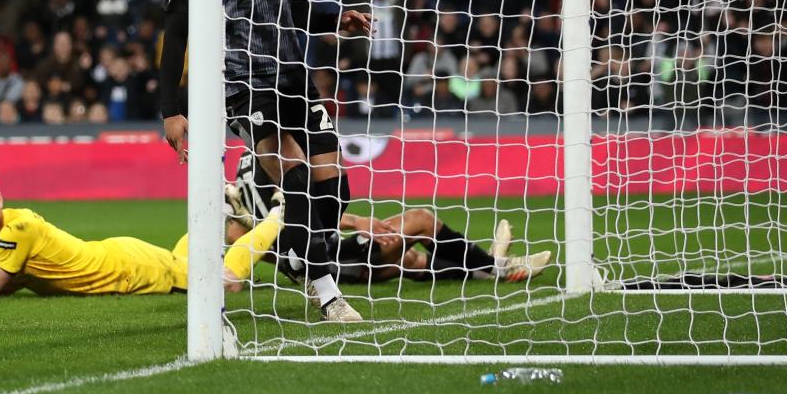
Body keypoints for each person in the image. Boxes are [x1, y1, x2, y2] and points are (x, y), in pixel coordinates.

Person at [160, 0, 373, 322]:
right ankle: (328, 293)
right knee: (296, 181)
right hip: (244, 86)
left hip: (294, 78)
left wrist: (340, 17)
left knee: (335, 194)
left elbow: (298, 10)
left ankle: (293, 255)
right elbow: (176, 34)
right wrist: (170, 108)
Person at [226, 151, 553, 285]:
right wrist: (355, 221)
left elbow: (247, 231)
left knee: (409, 259)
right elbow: (296, 213)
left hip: (334, 255)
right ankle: (498, 266)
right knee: (421, 220)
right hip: (337, 259)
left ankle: (485, 267)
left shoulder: (251, 161)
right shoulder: (272, 157)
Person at [0, 170, 282, 298]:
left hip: (126, 271)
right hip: (117, 258)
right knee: (184, 262)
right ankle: (222, 215)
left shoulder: (17, 228)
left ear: (1, 199)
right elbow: (15, 281)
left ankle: (282, 214)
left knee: (225, 281)